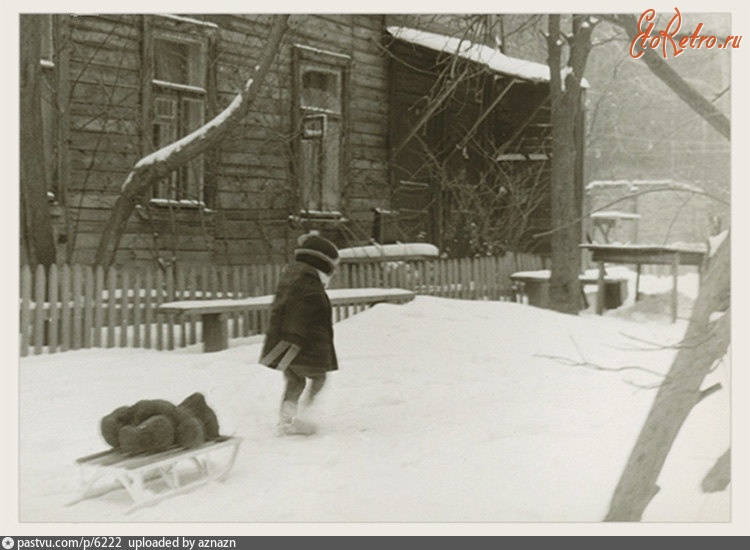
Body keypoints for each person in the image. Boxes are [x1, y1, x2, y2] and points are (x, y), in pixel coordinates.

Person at [259, 233, 340, 435]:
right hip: (303, 345)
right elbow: (298, 312)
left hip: (288, 343)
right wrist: (295, 339)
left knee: (295, 380)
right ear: (323, 264)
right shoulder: (308, 284)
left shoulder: (293, 277)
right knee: (318, 378)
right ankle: (305, 416)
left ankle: (287, 420)